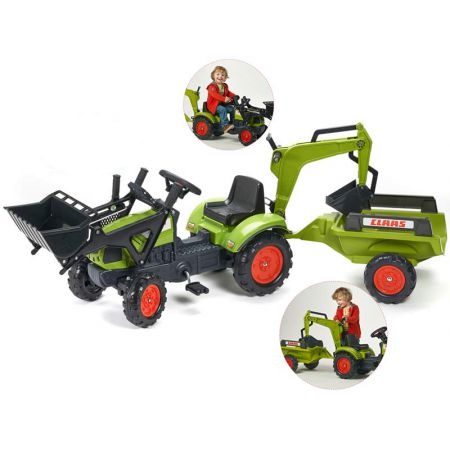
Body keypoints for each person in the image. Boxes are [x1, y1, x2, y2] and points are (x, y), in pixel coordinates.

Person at [206, 65, 236, 133]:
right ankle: (225, 126)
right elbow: (215, 95)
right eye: (218, 74)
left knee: (232, 109)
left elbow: (228, 93)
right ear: (213, 76)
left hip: (221, 104)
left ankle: (232, 123)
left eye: (222, 75)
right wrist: (224, 99)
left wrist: (234, 96)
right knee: (223, 110)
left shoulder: (224, 86)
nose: (220, 76)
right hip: (213, 105)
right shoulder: (211, 86)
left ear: (225, 78)